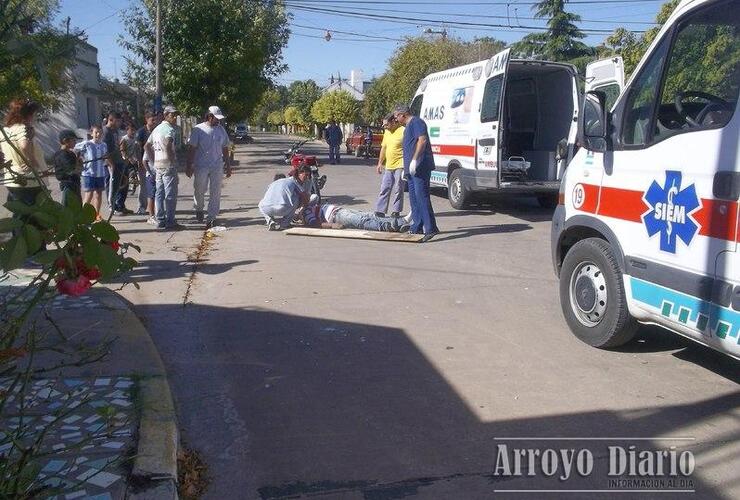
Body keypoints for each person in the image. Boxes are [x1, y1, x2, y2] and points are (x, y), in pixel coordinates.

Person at [1, 99, 47, 236]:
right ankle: (32, 250)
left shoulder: (6, 130)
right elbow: (24, 145)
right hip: (28, 179)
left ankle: (19, 245)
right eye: (33, 114)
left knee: (19, 215)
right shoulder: (23, 128)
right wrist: (31, 160)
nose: (34, 118)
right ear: (28, 115)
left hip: (12, 177)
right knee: (32, 216)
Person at [393, 103, 439, 243]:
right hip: (411, 170)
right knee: (414, 198)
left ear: (403, 114)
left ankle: (430, 229)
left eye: (396, 116)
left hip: (420, 167)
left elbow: (422, 140)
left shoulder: (417, 122)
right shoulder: (407, 127)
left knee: (422, 197)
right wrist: (406, 168)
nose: (395, 119)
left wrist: (414, 160)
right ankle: (417, 226)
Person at [186, 105, 231, 228]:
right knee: (200, 189)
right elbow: (192, 148)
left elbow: (225, 147)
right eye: (216, 118)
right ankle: (199, 208)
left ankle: (211, 217)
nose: (218, 121)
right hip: (201, 165)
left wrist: (228, 164)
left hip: (217, 165)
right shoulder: (198, 130)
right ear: (209, 117)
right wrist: (188, 165)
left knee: (216, 191)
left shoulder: (221, 130)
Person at [145, 105, 182, 230]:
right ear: (166, 115)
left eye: (176, 115)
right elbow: (167, 146)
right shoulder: (169, 130)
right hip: (167, 165)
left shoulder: (156, 129)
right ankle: (170, 221)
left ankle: (160, 219)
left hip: (158, 165)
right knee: (170, 194)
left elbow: (147, 146)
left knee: (159, 193)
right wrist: (173, 162)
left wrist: (152, 160)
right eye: (172, 115)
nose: (175, 117)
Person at [75, 124, 113, 219]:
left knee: (98, 194)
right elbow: (75, 149)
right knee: (89, 194)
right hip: (89, 173)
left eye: (100, 132)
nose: (98, 134)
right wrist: (79, 160)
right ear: (92, 133)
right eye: (96, 132)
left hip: (100, 173)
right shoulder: (87, 144)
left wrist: (110, 164)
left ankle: (96, 214)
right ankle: (83, 215)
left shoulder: (104, 145)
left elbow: (106, 157)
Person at [303, 200, 409, 233]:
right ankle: (390, 226)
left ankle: (401, 221)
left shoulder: (307, 206)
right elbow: (315, 224)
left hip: (340, 210)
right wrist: (332, 225)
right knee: (363, 221)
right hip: (336, 216)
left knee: (371, 215)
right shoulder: (306, 213)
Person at [258, 165, 311, 231]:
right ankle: (284, 224)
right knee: (295, 199)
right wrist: (304, 210)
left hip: (267, 208)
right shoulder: (293, 181)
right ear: (299, 174)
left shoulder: (273, 183)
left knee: (261, 204)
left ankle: (270, 221)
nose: (307, 177)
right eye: (306, 175)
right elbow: (305, 196)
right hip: (283, 209)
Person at [374, 113, 405, 218]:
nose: (384, 127)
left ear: (393, 122)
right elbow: (384, 148)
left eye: (386, 124)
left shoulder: (403, 131)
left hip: (400, 164)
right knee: (385, 187)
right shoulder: (387, 132)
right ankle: (380, 210)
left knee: (398, 187)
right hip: (389, 165)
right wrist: (379, 163)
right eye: (384, 125)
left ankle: (396, 210)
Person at [102, 111, 131, 215]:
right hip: (110, 163)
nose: (120, 123)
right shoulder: (105, 132)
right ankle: (112, 207)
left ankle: (120, 205)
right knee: (112, 185)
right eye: (118, 121)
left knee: (123, 184)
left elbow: (118, 145)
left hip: (119, 161)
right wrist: (111, 164)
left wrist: (123, 157)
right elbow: (105, 151)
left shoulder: (115, 131)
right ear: (111, 120)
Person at [135, 111, 158, 217]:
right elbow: (138, 148)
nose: (154, 122)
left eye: (155, 120)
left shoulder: (156, 130)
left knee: (152, 187)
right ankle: (142, 206)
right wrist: (139, 161)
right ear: (146, 119)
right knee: (143, 185)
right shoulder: (141, 132)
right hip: (144, 161)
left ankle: (155, 208)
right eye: (152, 120)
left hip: (154, 162)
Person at [53, 129, 82, 205]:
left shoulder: (71, 154)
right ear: (65, 141)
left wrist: (79, 161)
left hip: (75, 183)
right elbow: (72, 170)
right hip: (68, 184)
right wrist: (77, 161)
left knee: (78, 206)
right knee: (68, 206)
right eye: (73, 140)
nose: (75, 142)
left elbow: (79, 170)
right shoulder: (62, 155)